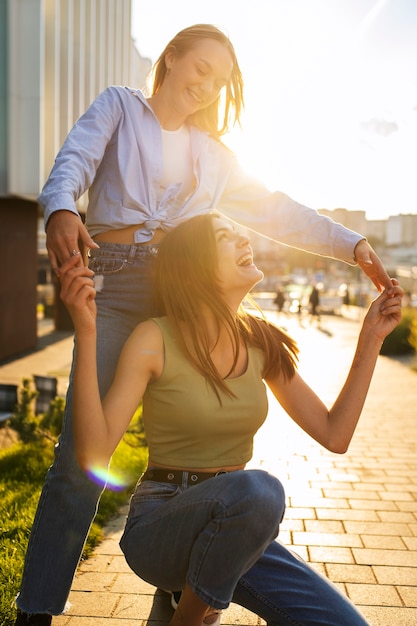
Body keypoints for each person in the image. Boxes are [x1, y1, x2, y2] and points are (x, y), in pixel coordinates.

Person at [15, 23, 394, 625]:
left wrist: (351, 245)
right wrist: (61, 205)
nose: (206, 87)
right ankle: (36, 611)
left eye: (219, 82)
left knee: (191, 429)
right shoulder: (119, 107)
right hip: (114, 287)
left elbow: (278, 210)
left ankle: (179, 577)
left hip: (179, 293)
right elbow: (75, 160)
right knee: (84, 457)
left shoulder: (215, 157)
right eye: (200, 70)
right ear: (171, 59)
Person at [61, 213, 402, 626]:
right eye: (226, 237)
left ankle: (184, 602)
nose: (245, 240)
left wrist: (371, 337)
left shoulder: (261, 339)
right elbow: (95, 452)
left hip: (240, 529)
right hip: (161, 523)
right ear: (195, 266)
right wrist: (87, 330)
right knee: (260, 489)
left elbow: (335, 434)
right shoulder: (154, 338)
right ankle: (189, 618)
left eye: (242, 232)